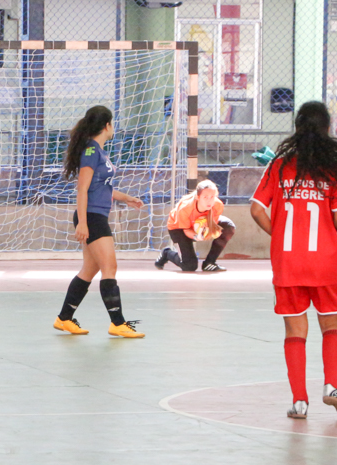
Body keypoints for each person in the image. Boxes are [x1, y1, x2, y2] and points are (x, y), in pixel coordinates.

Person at [250, 101, 337, 419]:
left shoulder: (278, 166)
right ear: (328, 129)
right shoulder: (334, 170)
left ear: (296, 129)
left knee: (294, 331)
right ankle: (332, 386)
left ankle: (299, 401)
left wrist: (282, 235)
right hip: (324, 262)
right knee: (332, 325)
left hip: (288, 261)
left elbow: (257, 209)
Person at [53, 105, 145, 338]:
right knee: (110, 267)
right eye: (112, 123)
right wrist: (82, 222)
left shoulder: (100, 153)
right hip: (92, 217)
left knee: (89, 270)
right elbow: (82, 189)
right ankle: (118, 322)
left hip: (97, 215)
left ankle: (64, 318)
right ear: (106, 125)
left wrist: (127, 198)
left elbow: (102, 188)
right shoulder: (92, 152)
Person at [155, 180, 236, 272]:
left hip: (201, 223)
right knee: (189, 266)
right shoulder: (185, 208)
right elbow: (186, 231)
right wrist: (197, 236)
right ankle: (167, 253)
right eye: (205, 197)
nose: (209, 200)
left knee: (228, 226)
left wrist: (211, 231)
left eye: (212, 197)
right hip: (179, 228)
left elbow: (213, 223)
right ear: (198, 197)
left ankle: (210, 263)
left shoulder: (217, 205)